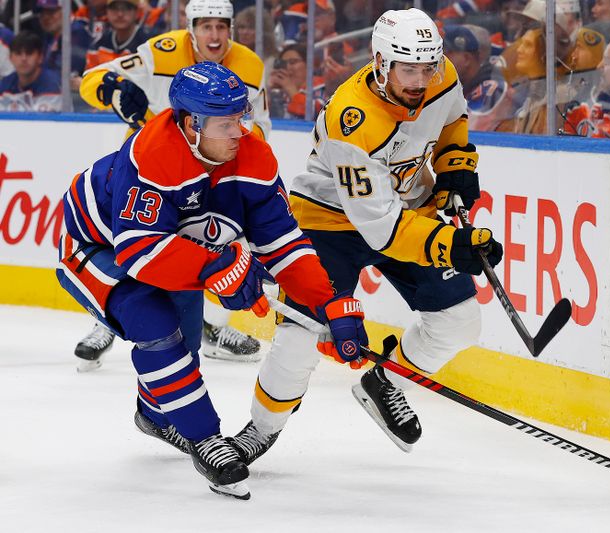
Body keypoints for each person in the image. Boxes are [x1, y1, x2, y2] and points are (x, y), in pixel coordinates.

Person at [56, 61, 367, 498]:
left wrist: (328, 304)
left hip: (172, 246)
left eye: (243, 116)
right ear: (191, 124)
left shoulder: (252, 154)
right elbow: (137, 251)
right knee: (156, 327)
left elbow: (282, 242)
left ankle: (155, 416)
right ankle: (204, 438)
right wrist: (214, 268)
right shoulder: (153, 154)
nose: (241, 130)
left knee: (183, 344)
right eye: (227, 122)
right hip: (94, 247)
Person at [226, 8, 503, 464]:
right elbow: (383, 229)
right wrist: (450, 244)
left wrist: (455, 165)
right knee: (302, 334)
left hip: (407, 208)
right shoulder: (351, 121)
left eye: (427, 67)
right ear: (380, 62)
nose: (420, 80)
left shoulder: (441, 74)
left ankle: (385, 383)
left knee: (458, 321)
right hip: (330, 221)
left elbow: (452, 121)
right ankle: (261, 428)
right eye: (407, 69)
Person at [74, 0, 271, 366]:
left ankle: (212, 327)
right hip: (149, 173)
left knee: (223, 240)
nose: (214, 35)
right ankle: (105, 322)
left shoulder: (249, 65)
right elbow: (93, 78)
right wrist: (114, 91)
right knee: (131, 243)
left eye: (221, 26)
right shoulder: (162, 52)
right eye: (206, 26)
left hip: (211, 172)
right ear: (190, 27)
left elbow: (260, 127)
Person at [444, 24, 513, 132]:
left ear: (466, 58)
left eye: (445, 54)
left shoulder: (492, 89)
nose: (439, 61)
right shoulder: (459, 86)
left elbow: (468, 134)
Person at [0, 31, 61, 111]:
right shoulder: (6, 83)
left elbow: (43, 121)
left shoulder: (52, 84)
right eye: (18, 53)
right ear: (10, 58)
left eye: (29, 53)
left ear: (40, 57)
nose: (23, 59)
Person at [84, 0, 150, 71]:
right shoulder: (100, 43)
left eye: (126, 8)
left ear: (137, 13)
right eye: (114, 8)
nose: (120, 14)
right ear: (107, 12)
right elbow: (89, 75)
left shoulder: (148, 43)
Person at [267, 43, 324, 119]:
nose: (288, 67)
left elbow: (317, 113)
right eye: (284, 64)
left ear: (309, 64)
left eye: (293, 62)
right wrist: (269, 92)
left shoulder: (323, 87)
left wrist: (290, 89)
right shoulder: (280, 92)